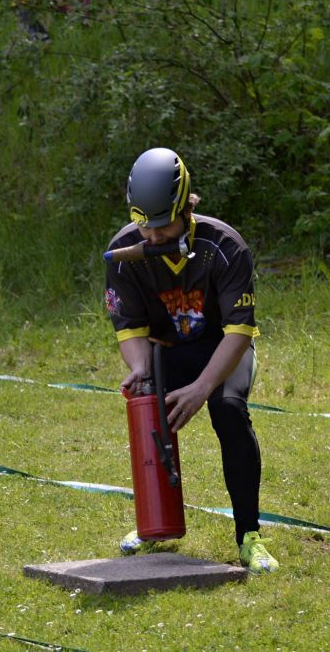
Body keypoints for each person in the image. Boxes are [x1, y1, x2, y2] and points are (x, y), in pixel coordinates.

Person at [103, 147, 278, 574]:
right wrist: (140, 370)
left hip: (224, 347)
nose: (152, 238)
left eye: (163, 227)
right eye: (145, 227)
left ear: (186, 210)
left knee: (228, 408)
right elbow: (131, 330)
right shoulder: (123, 253)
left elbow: (239, 332)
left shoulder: (226, 247)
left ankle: (249, 535)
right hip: (165, 350)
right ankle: (153, 523)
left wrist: (202, 389)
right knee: (145, 398)